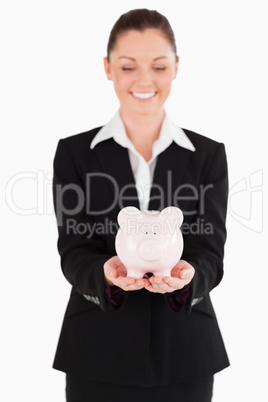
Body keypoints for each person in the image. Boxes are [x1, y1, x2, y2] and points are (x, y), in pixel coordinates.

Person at [52, 8, 230, 402]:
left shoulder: (208, 156)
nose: (145, 80)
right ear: (108, 67)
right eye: (128, 66)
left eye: (159, 66)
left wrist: (187, 279)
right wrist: (105, 274)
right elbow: (73, 249)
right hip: (96, 351)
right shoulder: (75, 153)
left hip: (185, 352)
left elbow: (210, 253)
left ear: (176, 68)